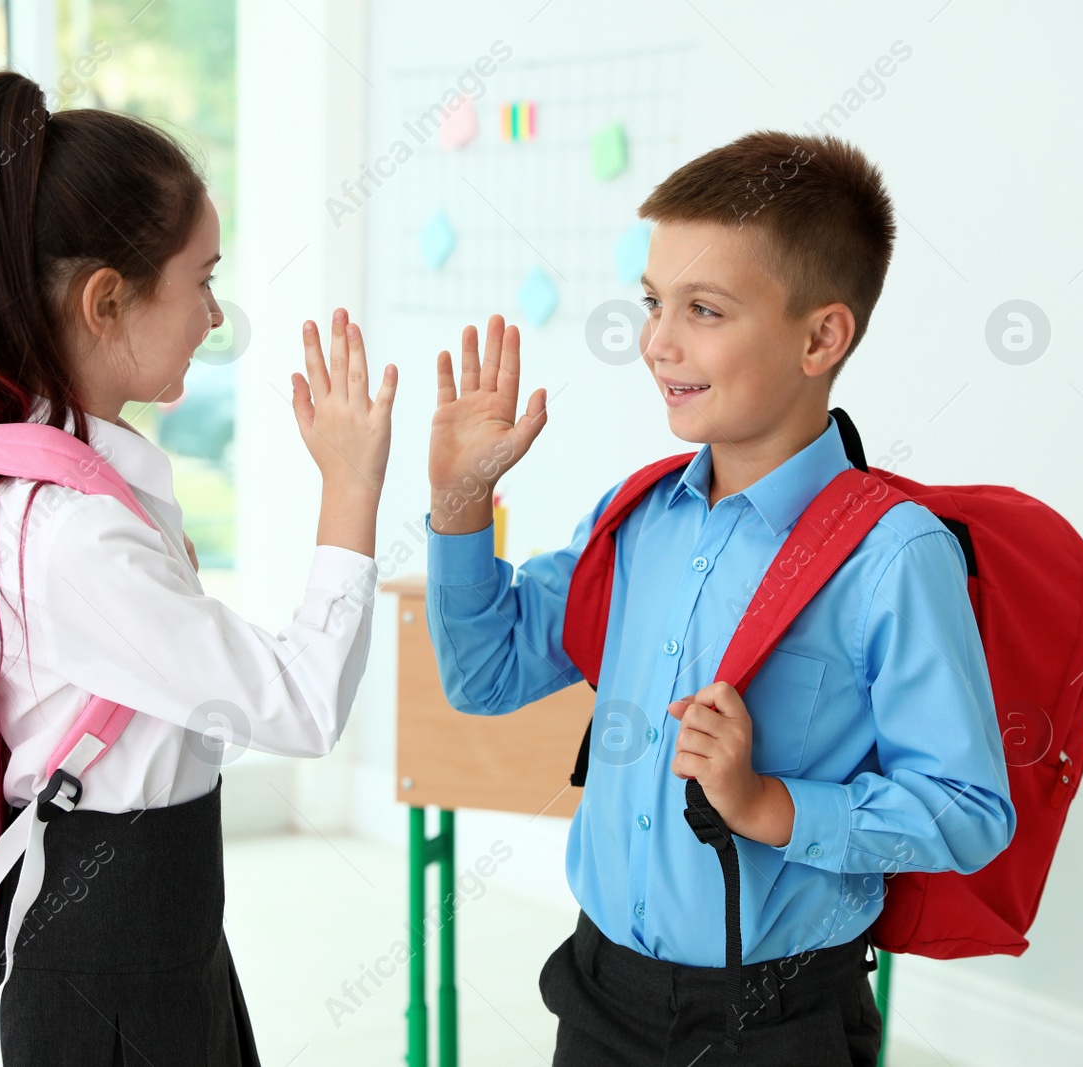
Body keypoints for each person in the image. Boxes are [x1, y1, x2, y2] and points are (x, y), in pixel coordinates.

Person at [423, 131, 1016, 1065]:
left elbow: (969, 807)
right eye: (654, 302)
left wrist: (770, 801)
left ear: (822, 336)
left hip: (779, 1017)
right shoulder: (639, 518)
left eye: (703, 309)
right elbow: (486, 676)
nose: (658, 341)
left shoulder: (892, 554)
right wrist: (459, 504)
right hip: (599, 992)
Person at [0, 71, 398, 1066]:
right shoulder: (74, 534)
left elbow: (178, 721)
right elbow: (298, 706)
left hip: (157, 944)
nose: (215, 314)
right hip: (85, 983)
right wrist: (350, 489)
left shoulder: (29, 477)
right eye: (202, 277)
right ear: (107, 301)